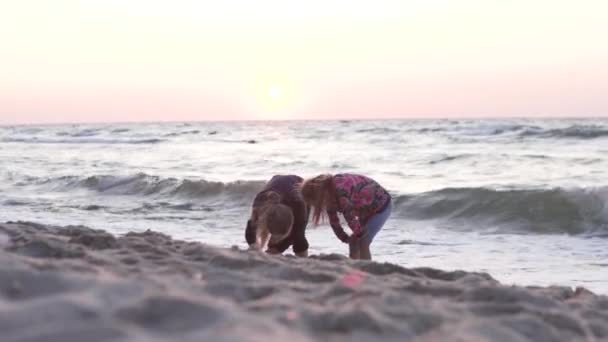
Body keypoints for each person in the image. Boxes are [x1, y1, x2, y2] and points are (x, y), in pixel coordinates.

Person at [300, 173, 391, 260]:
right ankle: (354, 268)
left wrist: (359, 234)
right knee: (354, 242)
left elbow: (349, 215)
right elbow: (334, 222)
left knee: (364, 241)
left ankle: (367, 270)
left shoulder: (340, 189)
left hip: (381, 205)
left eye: (315, 203)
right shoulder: (328, 198)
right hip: (365, 210)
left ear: (318, 194)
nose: (316, 207)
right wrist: (345, 239)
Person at [245, 175, 309, 257]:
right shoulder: (260, 201)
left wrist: (278, 249)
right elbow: (250, 228)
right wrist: (254, 247)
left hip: (300, 187)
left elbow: (297, 231)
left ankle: (303, 259)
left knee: (299, 236)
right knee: (259, 240)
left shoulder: (299, 206)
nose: (275, 239)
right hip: (277, 184)